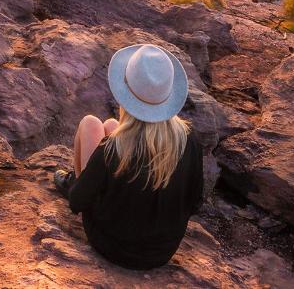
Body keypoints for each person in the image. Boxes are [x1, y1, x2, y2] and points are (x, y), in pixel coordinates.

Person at [52, 43, 204, 270]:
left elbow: (77, 204)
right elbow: (195, 203)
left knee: (90, 124)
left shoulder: (112, 149)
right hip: (161, 252)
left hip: (112, 246)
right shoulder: (189, 141)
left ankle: (75, 180)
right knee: (112, 125)